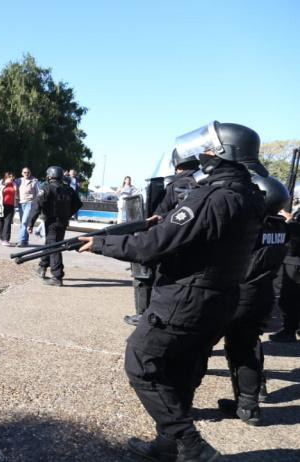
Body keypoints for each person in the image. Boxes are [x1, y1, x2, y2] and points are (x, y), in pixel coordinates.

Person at [78, 122, 266, 461]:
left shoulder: (212, 197)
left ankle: (192, 447)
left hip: (186, 299)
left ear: (226, 155)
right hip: (219, 300)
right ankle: (166, 447)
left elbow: (153, 246)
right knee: (182, 371)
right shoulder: (251, 196)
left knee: (141, 362)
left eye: (208, 150)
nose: (202, 156)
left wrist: (100, 243)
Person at [218, 175, 294, 425]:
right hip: (263, 294)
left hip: (237, 293)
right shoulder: (282, 227)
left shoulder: (249, 225)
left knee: (200, 346)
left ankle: (178, 409)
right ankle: (248, 406)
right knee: (248, 347)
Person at [124, 150, 200, 326]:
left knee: (150, 277)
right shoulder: (205, 183)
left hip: (171, 238)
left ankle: (146, 314)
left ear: (177, 163)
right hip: (197, 242)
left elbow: (159, 214)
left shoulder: (175, 185)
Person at [27, 166, 82, 286]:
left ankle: (57, 276)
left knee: (54, 247)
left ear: (50, 176)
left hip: (51, 222)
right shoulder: (68, 189)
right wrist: (67, 214)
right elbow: (78, 204)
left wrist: (30, 223)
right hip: (62, 222)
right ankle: (42, 267)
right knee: (50, 244)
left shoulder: (46, 188)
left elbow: (37, 206)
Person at [270, 207, 300, 342]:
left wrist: (289, 222)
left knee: (290, 298)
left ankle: (289, 330)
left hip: (295, 261)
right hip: (293, 259)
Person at [0, 172, 18, 246]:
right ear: (6, 177)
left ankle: (6, 239)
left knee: (8, 222)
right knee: (0, 223)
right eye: (10, 176)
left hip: (11, 206)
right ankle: (1, 238)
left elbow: (16, 195)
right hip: (0, 205)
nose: (12, 178)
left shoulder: (14, 184)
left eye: (13, 176)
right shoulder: (0, 184)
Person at [16, 167, 39, 247]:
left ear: (30, 173)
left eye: (28, 172)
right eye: (25, 172)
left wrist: (36, 204)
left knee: (24, 221)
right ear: (22, 173)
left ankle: (21, 240)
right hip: (21, 203)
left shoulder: (34, 181)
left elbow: (38, 193)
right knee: (23, 222)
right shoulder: (18, 181)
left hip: (30, 203)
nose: (26, 174)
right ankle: (25, 241)